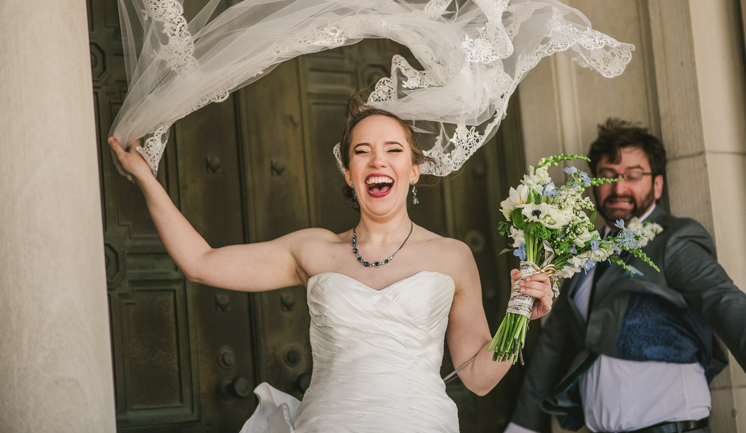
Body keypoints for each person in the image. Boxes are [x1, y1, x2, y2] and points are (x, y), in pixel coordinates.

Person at [108, 95, 554, 433]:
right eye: (363, 151)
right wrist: (145, 177)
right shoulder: (313, 250)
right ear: (349, 173)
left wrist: (520, 312)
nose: (378, 159)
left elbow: (477, 378)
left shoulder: (452, 255)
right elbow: (200, 262)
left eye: (394, 150)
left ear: (415, 170)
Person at [505, 119, 746, 433]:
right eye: (608, 176)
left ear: (657, 184)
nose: (619, 188)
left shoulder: (674, 240)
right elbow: (554, 344)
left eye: (633, 175)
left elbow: (723, 300)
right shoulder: (576, 251)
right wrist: (523, 428)